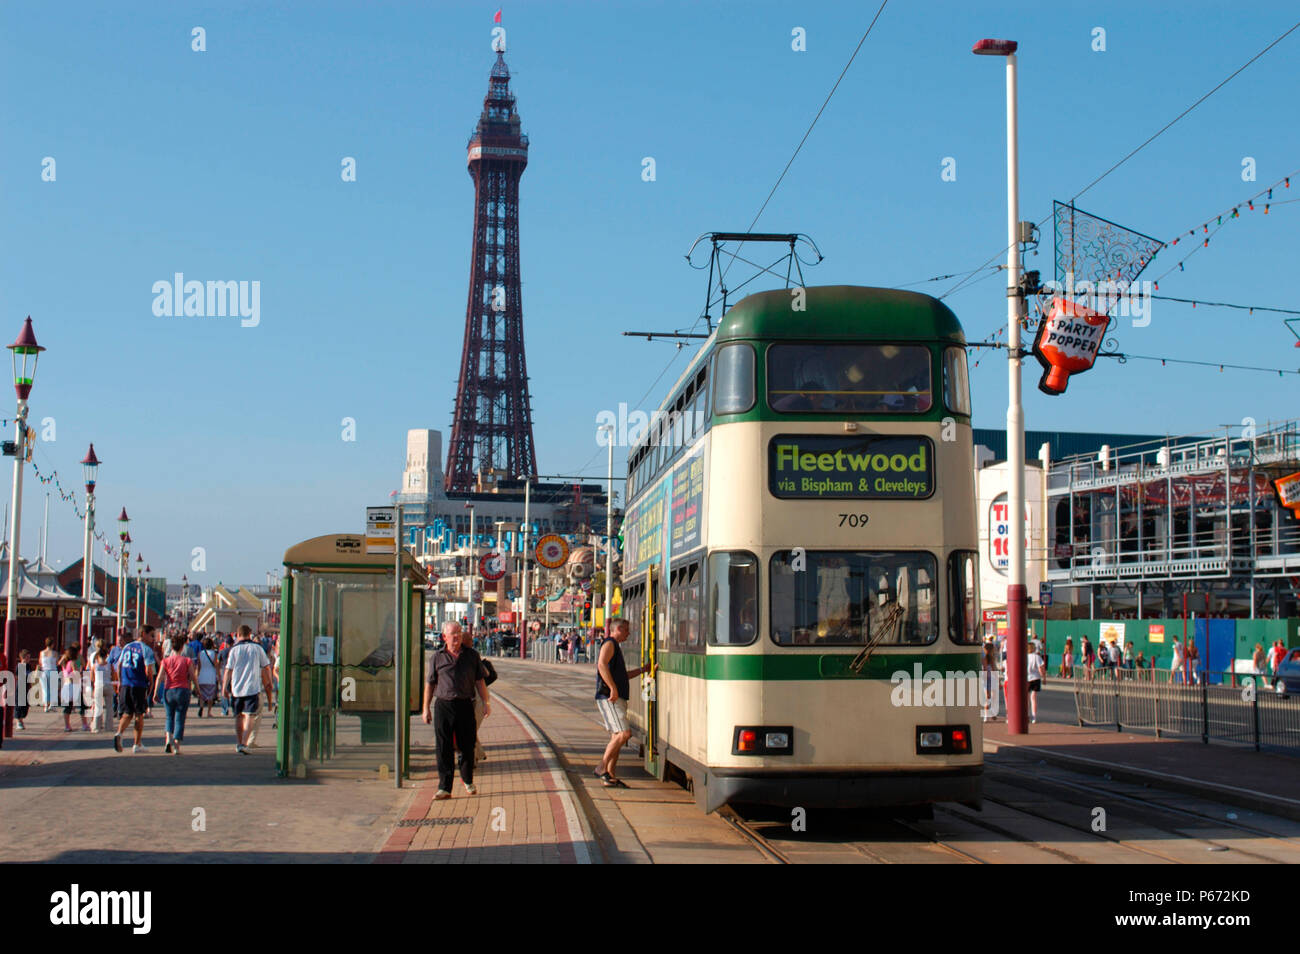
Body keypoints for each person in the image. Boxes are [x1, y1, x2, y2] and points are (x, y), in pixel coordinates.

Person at [421, 621, 491, 798]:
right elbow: (430, 684)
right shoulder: (437, 657)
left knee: (467, 745)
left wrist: (486, 702)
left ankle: (468, 780)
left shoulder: (472, 656)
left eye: (459, 633)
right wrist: (425, 708)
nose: (457, 637)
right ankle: (445, 787)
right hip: (443, 705)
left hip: (465, 704)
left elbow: (480, 681)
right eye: (453, 634)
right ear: (445, 637)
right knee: (443, 747)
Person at [594, 617, 648, 787]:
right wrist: (612, 688)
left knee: (617, 736)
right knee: (624, 734)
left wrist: (643, 670)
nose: (628, 633)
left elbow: (622, 675)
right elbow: (601, 665)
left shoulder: (615, 646)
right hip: (609, 697)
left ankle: (610, 775)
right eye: (626, 630)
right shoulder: (609, 644)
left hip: (616, 696)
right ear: (617, 629)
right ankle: (601, 767)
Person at [221, 625, 274, 754]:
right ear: (250, 634)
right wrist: (270, 682)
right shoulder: (257, 648)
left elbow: (228, 670)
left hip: (237, 688)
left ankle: (239, 743)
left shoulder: (234, 650)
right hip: (253, 687)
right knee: (250, 716)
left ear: (238, 635)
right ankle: (245, 742)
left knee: (238, 716)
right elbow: (266, 667)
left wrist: (224, 688)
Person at [113, 625, 157, 753]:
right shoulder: (146, 650)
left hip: (125, 684)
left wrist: (120, 681)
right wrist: (151, 683)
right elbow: (149, 669)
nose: (153, 639)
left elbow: (119, 665)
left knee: (127, 713)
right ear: (143, 634)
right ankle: (137, 744)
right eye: (151, 635)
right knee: (139, 714)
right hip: (138, 685)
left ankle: (119, 734)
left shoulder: (127, 647)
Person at [154, 633, 200, 754]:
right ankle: (176, 746)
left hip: (168, 690)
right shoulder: (187, 661)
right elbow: (193, 677)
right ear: (182, 647)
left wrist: (155, 692)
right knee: (180, 718)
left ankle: (168, 739)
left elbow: (159, 677)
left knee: (169, 717)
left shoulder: (165, 661)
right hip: (183, 690)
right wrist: (197, 689)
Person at [58, 645, 91, 733]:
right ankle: (84, 725)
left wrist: (64, 656)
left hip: (66, 685)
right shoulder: (72, 662)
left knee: (68, 707)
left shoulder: (64, 663)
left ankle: (67, 726)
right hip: (74, 685)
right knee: (83, 705)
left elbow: (59, 663)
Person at [195, 637, 221, 717]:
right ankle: (209, 712)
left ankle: (201, 707)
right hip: (211, 676)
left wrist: (196, 676)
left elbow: (198, 666)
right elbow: (216, 665)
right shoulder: (214, 654)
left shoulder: (200, 654)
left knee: (202, 695)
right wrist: (219, 676)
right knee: (210, 696)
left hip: (202, 675)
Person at [90, 647, 111, 732]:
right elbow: (113, 675)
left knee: (98, 707)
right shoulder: (110, 665)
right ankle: (109, 727)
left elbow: (92, 678)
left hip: (98, 686)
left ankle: (96, 727)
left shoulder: (95, 666)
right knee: (109, 708)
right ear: (106, 656)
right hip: (108, 685)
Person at [106, 632, 127, 720]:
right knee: (115, 692)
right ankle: (115, 709)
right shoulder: (114, 650)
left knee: (122, 692)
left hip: (124, 673)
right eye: (118, 641)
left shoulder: (127, 649)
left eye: (121, 640)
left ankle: (121, 710)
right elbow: (110, 661)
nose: (119, 642)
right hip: (115, 673)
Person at [1025, 636, 1043, 723]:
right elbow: (1040, 668)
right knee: (1033, 698)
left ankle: (1027, 715)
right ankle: (1034, 717)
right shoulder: (1037, 657)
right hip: (1036, 678)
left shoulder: (1025, 657)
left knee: (1027, 698)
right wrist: (1043, 676)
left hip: (1027, 678)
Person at [14, 648, 33, 729]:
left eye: (29, 657)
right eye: (27, 657)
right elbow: (16, 677)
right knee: (19, 706)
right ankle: (18, 722)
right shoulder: (19, 666)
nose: (29, 659)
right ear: (23, 658)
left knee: (25, 706)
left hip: (26, 688)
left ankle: (21, 720)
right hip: (20, 688)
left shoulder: (29, 666)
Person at [38, 637, 58, 712]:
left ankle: (45, 706)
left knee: (45, 689)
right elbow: (56, 663)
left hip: (44, 671)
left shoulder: (42, 653)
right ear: (52, 644)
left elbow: (40, 662)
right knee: (53, 689)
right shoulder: (55, 653)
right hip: (53, 671)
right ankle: (52, 705)